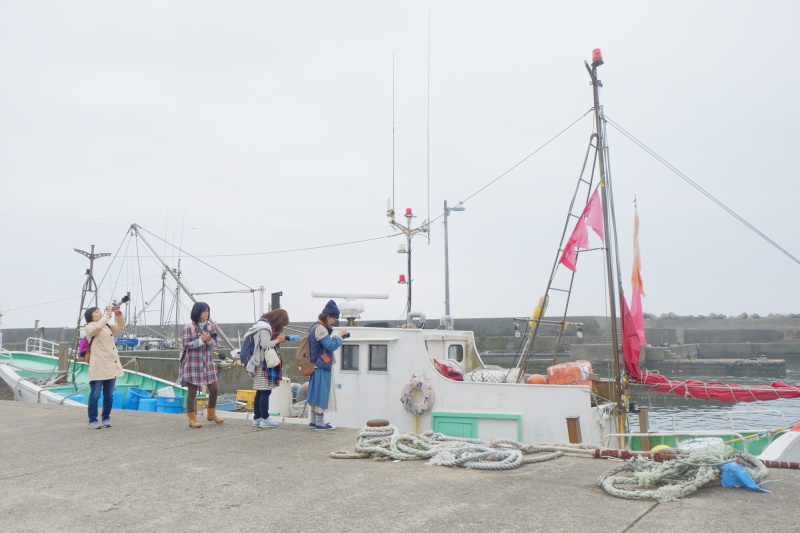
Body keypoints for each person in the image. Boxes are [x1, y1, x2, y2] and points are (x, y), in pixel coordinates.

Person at [178, 302, 223, 428]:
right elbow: (185, 344)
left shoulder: (211, 327)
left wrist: (209, 341)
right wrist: (200, 340)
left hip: (207, 363)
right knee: (192, 392)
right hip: (192, 363)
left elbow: (214, 345)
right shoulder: (188, 327)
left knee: (214, 389)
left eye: (208, 311)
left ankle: (211, 413)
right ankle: (192, 418)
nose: (206, 313)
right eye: (204, 311)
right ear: (197, 312)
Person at [244, 308, 290, 429]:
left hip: (260, 362)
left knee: (260, 391)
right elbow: (265, 345)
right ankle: (264, 418)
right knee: (265, 391)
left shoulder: (261, 324)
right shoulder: (265, 327)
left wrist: (277, 340)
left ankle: (257, 418)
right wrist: (277, 340)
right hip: (264, 363)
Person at [307, 300, 347, 431]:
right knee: (322, 393)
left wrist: (336, 337)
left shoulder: (315, 326)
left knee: (314, 393)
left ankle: (313, 421)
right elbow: (330, 346)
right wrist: (339, 337)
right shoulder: (320, 329)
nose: (334, 321)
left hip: (316, 365)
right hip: (322, 365)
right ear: (328, 316)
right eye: (334, 318)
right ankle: (320, 423)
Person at [84, 304, 125, 429]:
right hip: (99, 366)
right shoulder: (89, 327)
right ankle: (92, 420)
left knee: (109, 395)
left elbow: (121, 326)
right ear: (90, 316)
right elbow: (96, 329)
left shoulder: (106, 325)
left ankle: (106, 418)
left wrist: (118, 314)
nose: (99, 313)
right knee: (95, 394)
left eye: (99, 311)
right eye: (96, 312)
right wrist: (107, 314)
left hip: (110, 365)